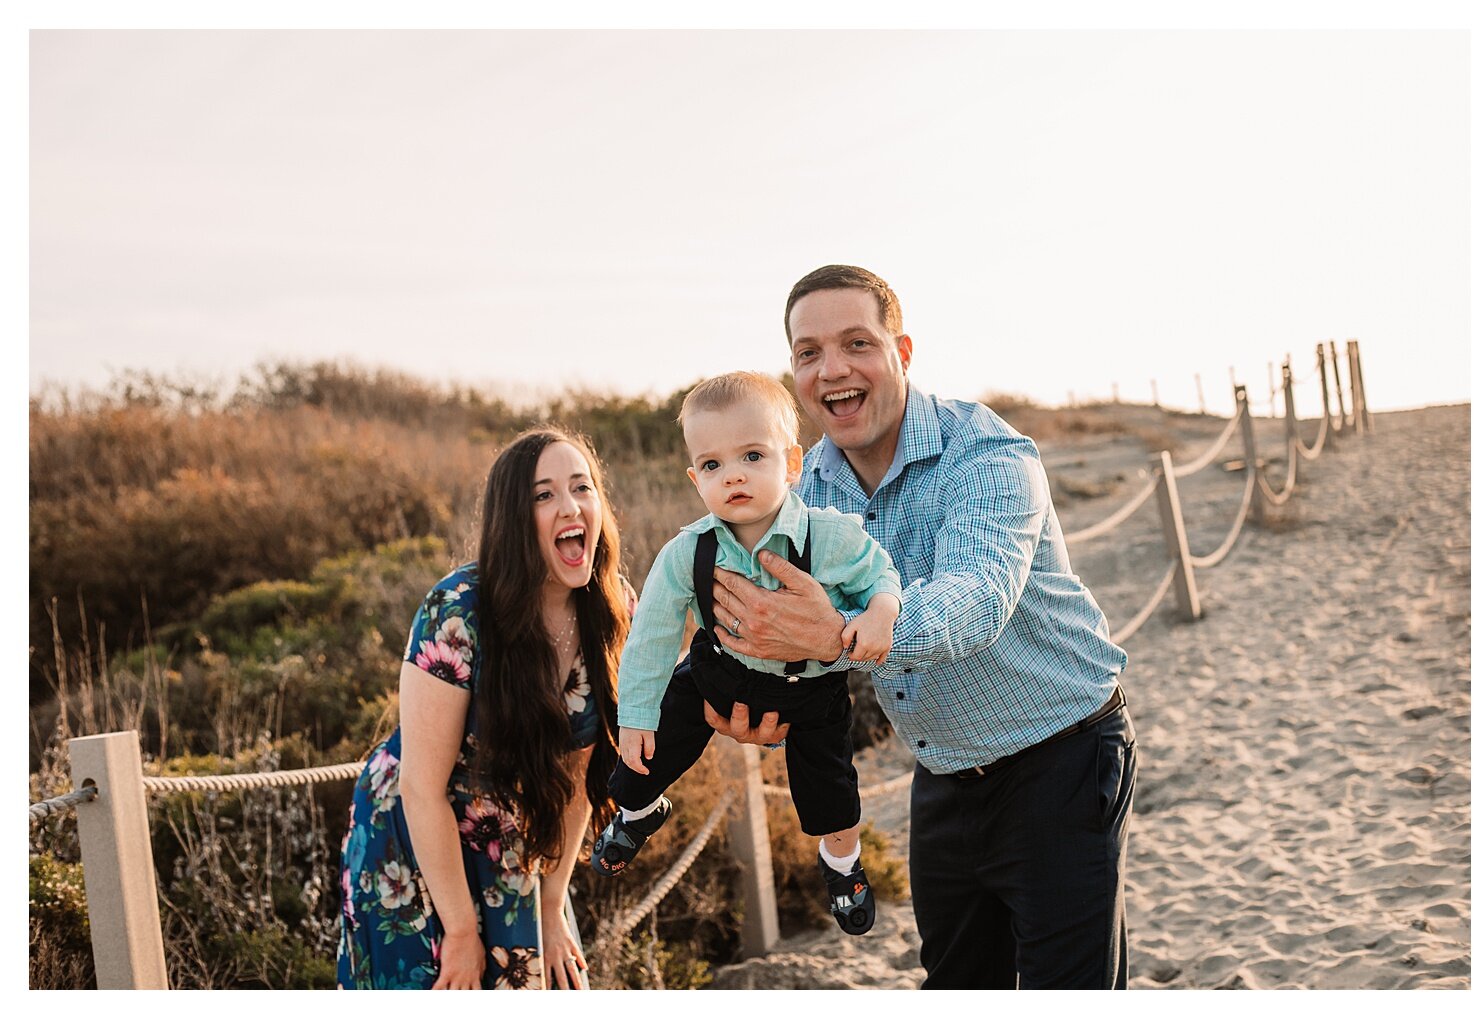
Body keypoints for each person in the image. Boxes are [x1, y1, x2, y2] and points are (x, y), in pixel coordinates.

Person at [705, 266, 1137, 989]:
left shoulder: (990, 456)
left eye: (856, 343)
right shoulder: (802, 487)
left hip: (1061, 756)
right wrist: (754, 690)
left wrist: (834, 634)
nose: (833, 369)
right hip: (941, 772)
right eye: (809, 352)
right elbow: (752, 596)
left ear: (902, 352)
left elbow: (975, 597)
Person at [589, 371, 901, 936]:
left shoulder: (829, 536)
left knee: (831, 792)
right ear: (694, 478)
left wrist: (879, 613)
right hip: (718, 673)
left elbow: (881, 577)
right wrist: (635, 715)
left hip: (812, 689)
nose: (732, 474)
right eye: (712, 465)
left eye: (752, 456)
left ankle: (841, 864)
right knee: (639, 760)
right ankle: (638, 812)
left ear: (792, 462)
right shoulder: (689, 551)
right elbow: (653, 637)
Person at [337, 428, 629, 990]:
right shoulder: (457, 611)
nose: (570, 506)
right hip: (417, 843)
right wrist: (463, 932)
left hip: (521, 848)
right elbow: (421, 788)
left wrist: (552, 899)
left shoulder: (613, 611)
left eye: (581, 488)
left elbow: (575, 780)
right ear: (513, 519)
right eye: (544, 495)